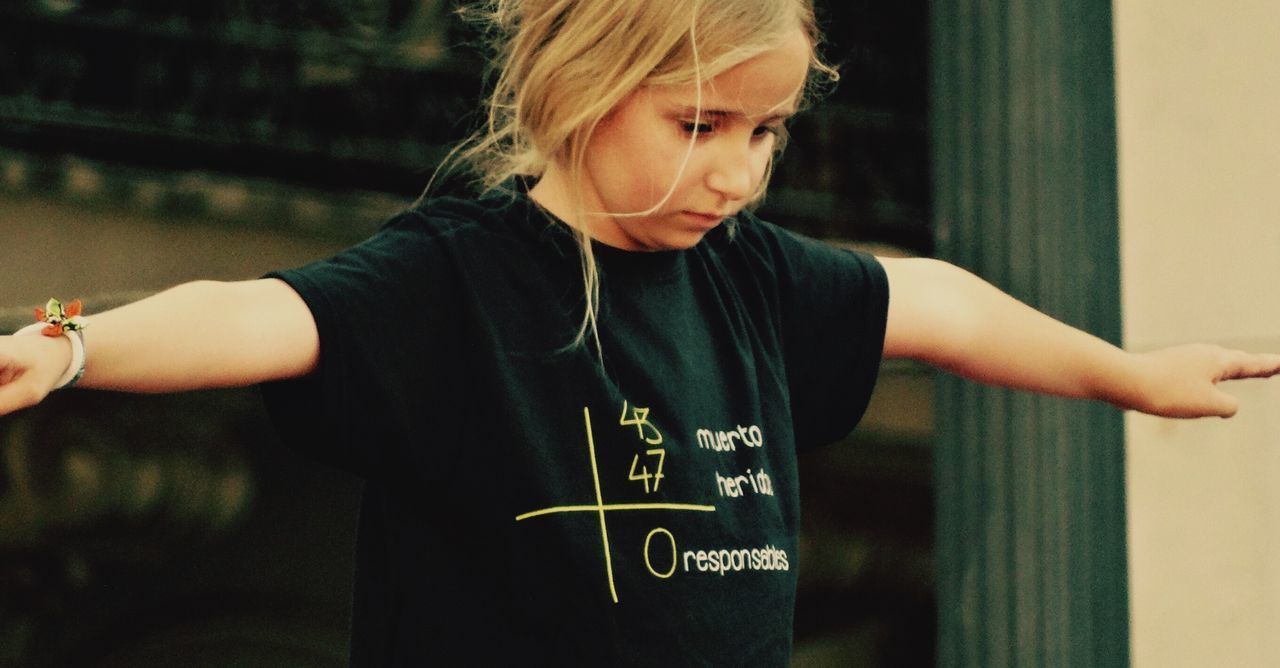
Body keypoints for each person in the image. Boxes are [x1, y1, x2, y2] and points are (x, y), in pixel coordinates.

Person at [1, 0, 1277, 664]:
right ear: (580, 91)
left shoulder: (754, 280)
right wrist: (69, 343)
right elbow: (258, 313)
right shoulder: (457, 280)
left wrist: (1126, 375)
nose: (737, 174)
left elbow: (934, 301)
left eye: (764, 133)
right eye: (699, 126)